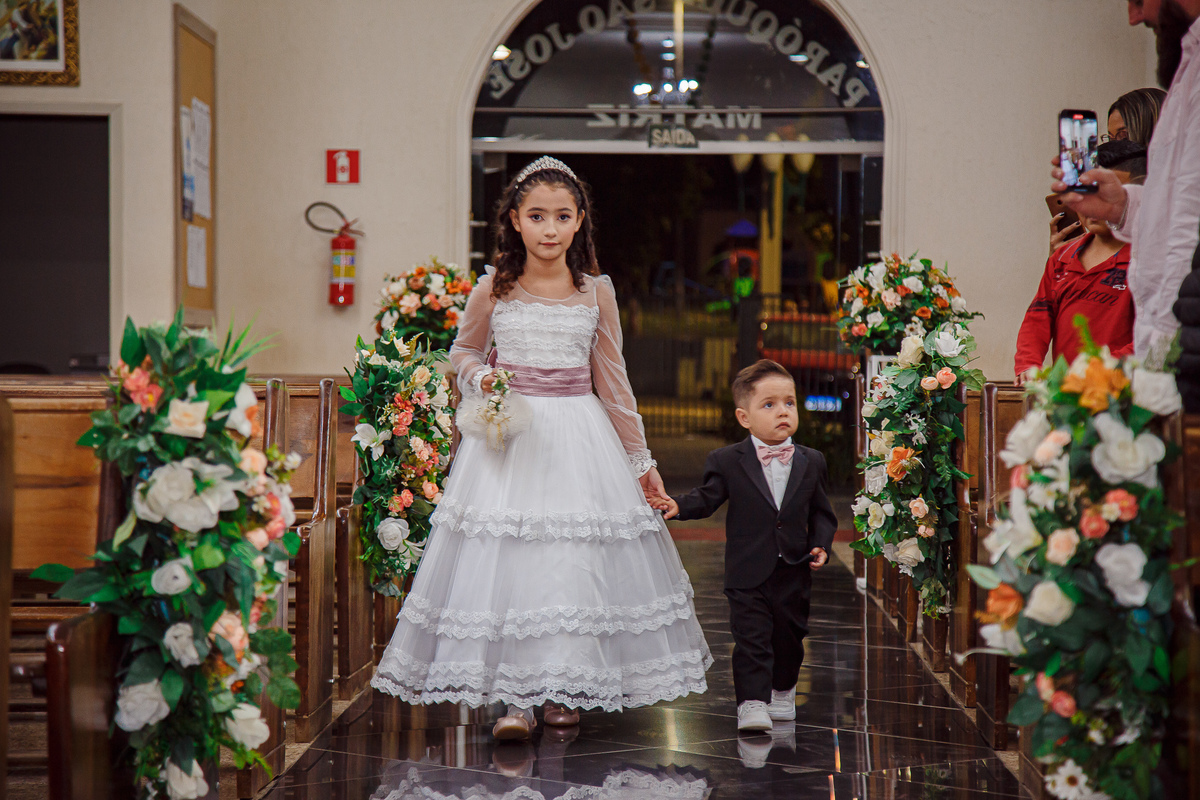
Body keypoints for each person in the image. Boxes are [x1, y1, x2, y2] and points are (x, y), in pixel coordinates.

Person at [370, 156, 712, 741]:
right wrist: (483, 378)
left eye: (562, 216)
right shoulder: (493, 288)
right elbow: (462, 353)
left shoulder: (595, 292)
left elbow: (614, 383)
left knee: (569, 564)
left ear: (579, 221)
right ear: (514, 220)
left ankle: (562, 686)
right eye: (536, 216)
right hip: (510, 440)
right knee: (511, 562)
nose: (549, 229)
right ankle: (515, 699)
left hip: (579, 438)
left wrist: (642, 462)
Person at [649, 359, 838, 733]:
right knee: (752, 638)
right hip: (746, 570)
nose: (782, 411)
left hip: (793, 569)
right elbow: (707, 497)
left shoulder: (812, 461)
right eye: (769, 404)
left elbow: (822, 512)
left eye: (789, 403)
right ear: (744, 417)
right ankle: (752, 702)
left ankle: (782, 690)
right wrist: (678, 505)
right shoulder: (727, 460)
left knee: (789, 638)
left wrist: (821, 544)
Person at [1053, 0, 1200, 369]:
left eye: (1138, 0)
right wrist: (1123, 207)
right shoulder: (1190, 67)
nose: (1134, 17)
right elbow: (1182, 205)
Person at [1021, 141, 1147, 382]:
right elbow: (1037, 319)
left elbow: (1152, 335)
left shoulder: (1148, 262)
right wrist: (1028, 365)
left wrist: (1096, 371)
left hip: (1122, 392)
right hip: (1067, 394)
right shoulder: (1061, 257)